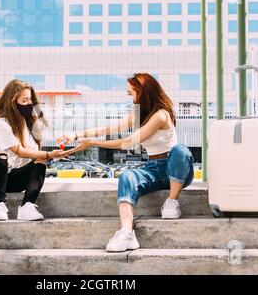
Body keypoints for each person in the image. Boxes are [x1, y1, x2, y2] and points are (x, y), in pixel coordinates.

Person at [59, 73, 194, 252]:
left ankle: (172, 201)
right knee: (127, 176)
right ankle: (126, 232)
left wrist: (93, 143)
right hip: (153, 168)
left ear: (144, 93)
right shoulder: (138, 115)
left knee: (180, 150)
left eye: (132, 93)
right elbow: (109, 128)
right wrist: (76, 135)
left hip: (174, 168)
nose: (130, 97)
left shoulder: (161, 115)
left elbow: (130, 141)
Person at [0, 79, 72, 221]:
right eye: (24, 100)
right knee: (1, 156)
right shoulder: (1, 123)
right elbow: (19, 150)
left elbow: (33, 153)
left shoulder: (27, 125)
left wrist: (51, 151)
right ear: (12, 102)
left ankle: (28, 205)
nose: (29, 104)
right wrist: (49, 154)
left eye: (30, 100)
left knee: (40, 161)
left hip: (11, 179)